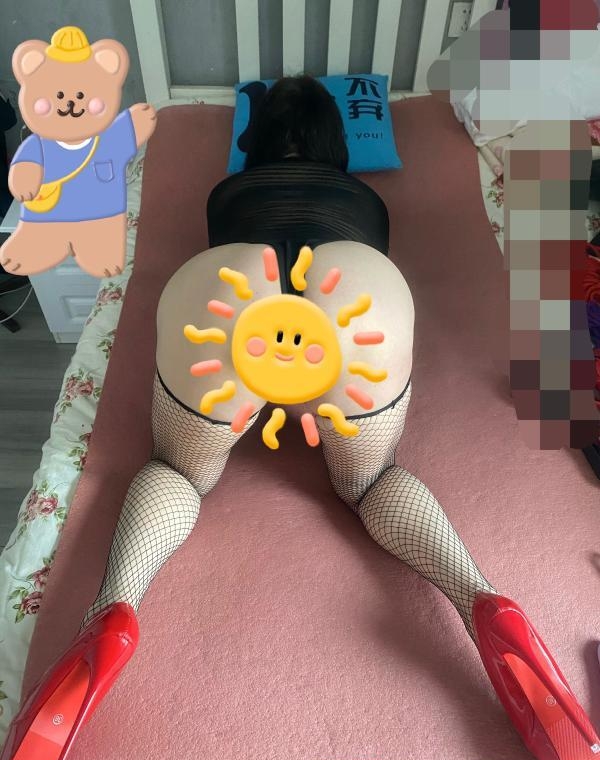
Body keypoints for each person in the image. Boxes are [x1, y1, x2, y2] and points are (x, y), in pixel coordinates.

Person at [2, 76, 599, 760]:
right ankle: (483, 604)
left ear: (253, 142)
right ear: (337, 144)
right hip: (351, 297)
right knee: (372, 480)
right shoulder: (367, 201)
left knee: (177, 470)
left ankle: (110, 612)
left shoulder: (226, 194)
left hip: (236, 295)